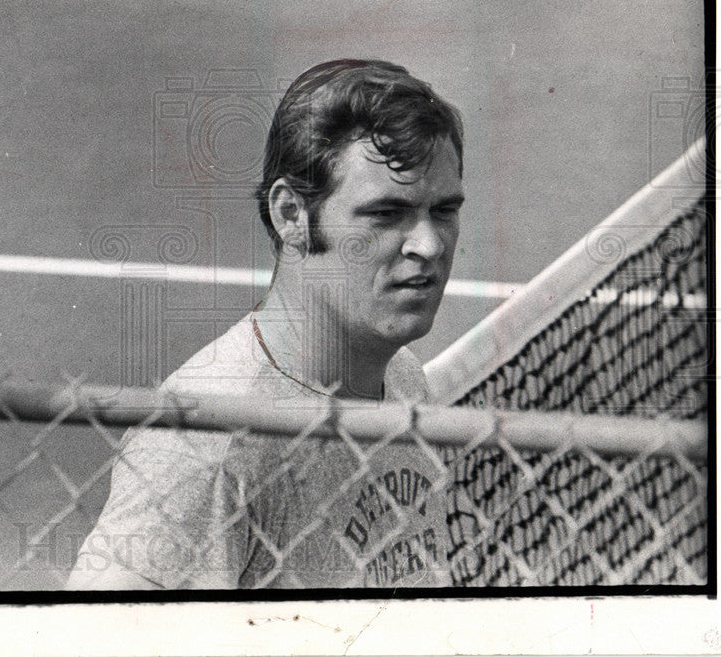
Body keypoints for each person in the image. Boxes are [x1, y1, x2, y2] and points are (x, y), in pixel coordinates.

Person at [67, 59, 464, 590]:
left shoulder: (405, 380)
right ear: (291, 215)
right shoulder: (209, 442)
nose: (430, 245)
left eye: (443, 211)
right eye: (386, 214)